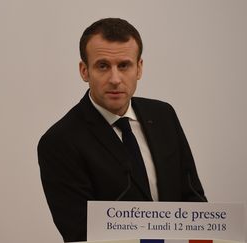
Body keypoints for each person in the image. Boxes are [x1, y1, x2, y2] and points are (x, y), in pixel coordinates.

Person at [37, 18, 206, 242]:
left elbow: (193, 198)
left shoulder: (163, 115)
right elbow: (79, 233)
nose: (115, 79)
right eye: (103, 66)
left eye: (124, 65)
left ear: (139, 68)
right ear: (84, 70)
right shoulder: (59, 141)